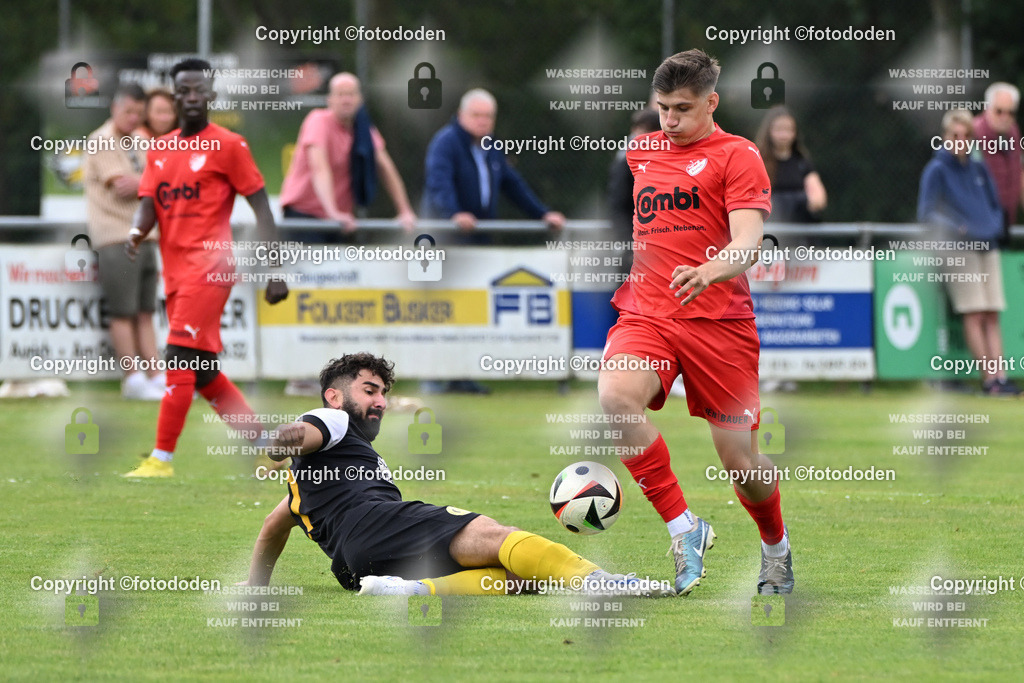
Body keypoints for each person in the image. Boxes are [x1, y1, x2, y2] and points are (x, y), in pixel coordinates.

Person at [596, 49, 793, 596]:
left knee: (740, 462)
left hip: (720, 323)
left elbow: (749, 243)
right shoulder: (640, 152)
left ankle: (775, 547)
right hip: (648, 312)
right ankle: (685, 530)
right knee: (615, 398)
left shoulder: (740, 155)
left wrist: (710, 269)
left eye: (682, 109)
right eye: (662, 108)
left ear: (712, 102)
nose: (670, 120)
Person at [239, 353, 670, 597]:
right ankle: (603, 581)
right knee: (496, 536)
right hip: (376, 525)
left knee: (520, 575)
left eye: (384, 394)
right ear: (335, 396)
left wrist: (256, 587)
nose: (381, 402)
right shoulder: (332, 420)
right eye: (369, 390)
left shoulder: (309, 482)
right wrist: (277, 444)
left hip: (356, 567)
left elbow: (272, 527)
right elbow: (302, 431)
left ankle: (410, 590)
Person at [123, 58, 290, 477]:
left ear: (211, 95)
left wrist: (275, 269)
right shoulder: (160, 148)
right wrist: (136, 231)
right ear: (174, 96)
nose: (192, 97)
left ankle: (161, 459)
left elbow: (262, 209)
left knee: (178, 357)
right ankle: (265, 444)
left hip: (211, 267)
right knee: (202, 371)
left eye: (199, 90)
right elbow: (147, 202)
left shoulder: (230, 145)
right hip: (176, 271)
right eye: (184, 91)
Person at [917, 109, 1019, 395]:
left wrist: (994, 225)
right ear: (946, 137)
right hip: (960, 251)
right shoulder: (936, 169)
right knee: (974, 313)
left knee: (992, 312)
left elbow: (995, 204)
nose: (960, 141)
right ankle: (989, 380)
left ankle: (1001, 377)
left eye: (966, 136)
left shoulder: (978, 167)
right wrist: (958, 228)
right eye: (955, 136)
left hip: (988, 245)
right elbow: (927, 212)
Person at [82, 83, 164, 401]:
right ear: (114, 108)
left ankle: (155, 376)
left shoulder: (140, 140)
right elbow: (123, 187)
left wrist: (147, 181)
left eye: (139, 113)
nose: (133, 118)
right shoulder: (101, 140)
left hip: (146, 237)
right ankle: (133, 378)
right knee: (123, 312)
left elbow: (148, 182)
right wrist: (153, 182)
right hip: (116, 237)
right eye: (128, 111)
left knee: (144, 311)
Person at [279, 72, 416, 233]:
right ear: (329, 99)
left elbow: (386, 168)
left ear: (360, 100)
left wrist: (405, 211)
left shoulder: (364, 131)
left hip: (338, 221)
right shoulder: (318, 121)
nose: (346, 100)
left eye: (351, 94)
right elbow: (319, 169)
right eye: (340, 95)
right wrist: (332, 212)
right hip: (303, 216)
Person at [421, 88, 566, 233]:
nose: (482, 121)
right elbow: (439, 184)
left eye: (488, 116)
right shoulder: (445, 143)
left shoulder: (492, 148)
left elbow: (513, 185)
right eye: (476, 115)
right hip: (445, 233)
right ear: (461, 115)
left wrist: (542, 214)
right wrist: (454, 214)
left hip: (480, 233)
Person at [754, 106, 826, 223]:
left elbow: (818, 198)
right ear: (769, 131)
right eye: (779, 129)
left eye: (788, 129)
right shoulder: (757, 161)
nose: (784, 135)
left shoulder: (802, 162)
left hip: (800, 228)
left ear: (795, 132)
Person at [973, 83, 1024, 237]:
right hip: (977, 224)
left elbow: (1020, 172)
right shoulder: (972, 134)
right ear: (987, 108)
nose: (1005, 117)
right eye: (999, 111)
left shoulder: (1013, 132)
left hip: (1004, 222)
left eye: (1010, 112)